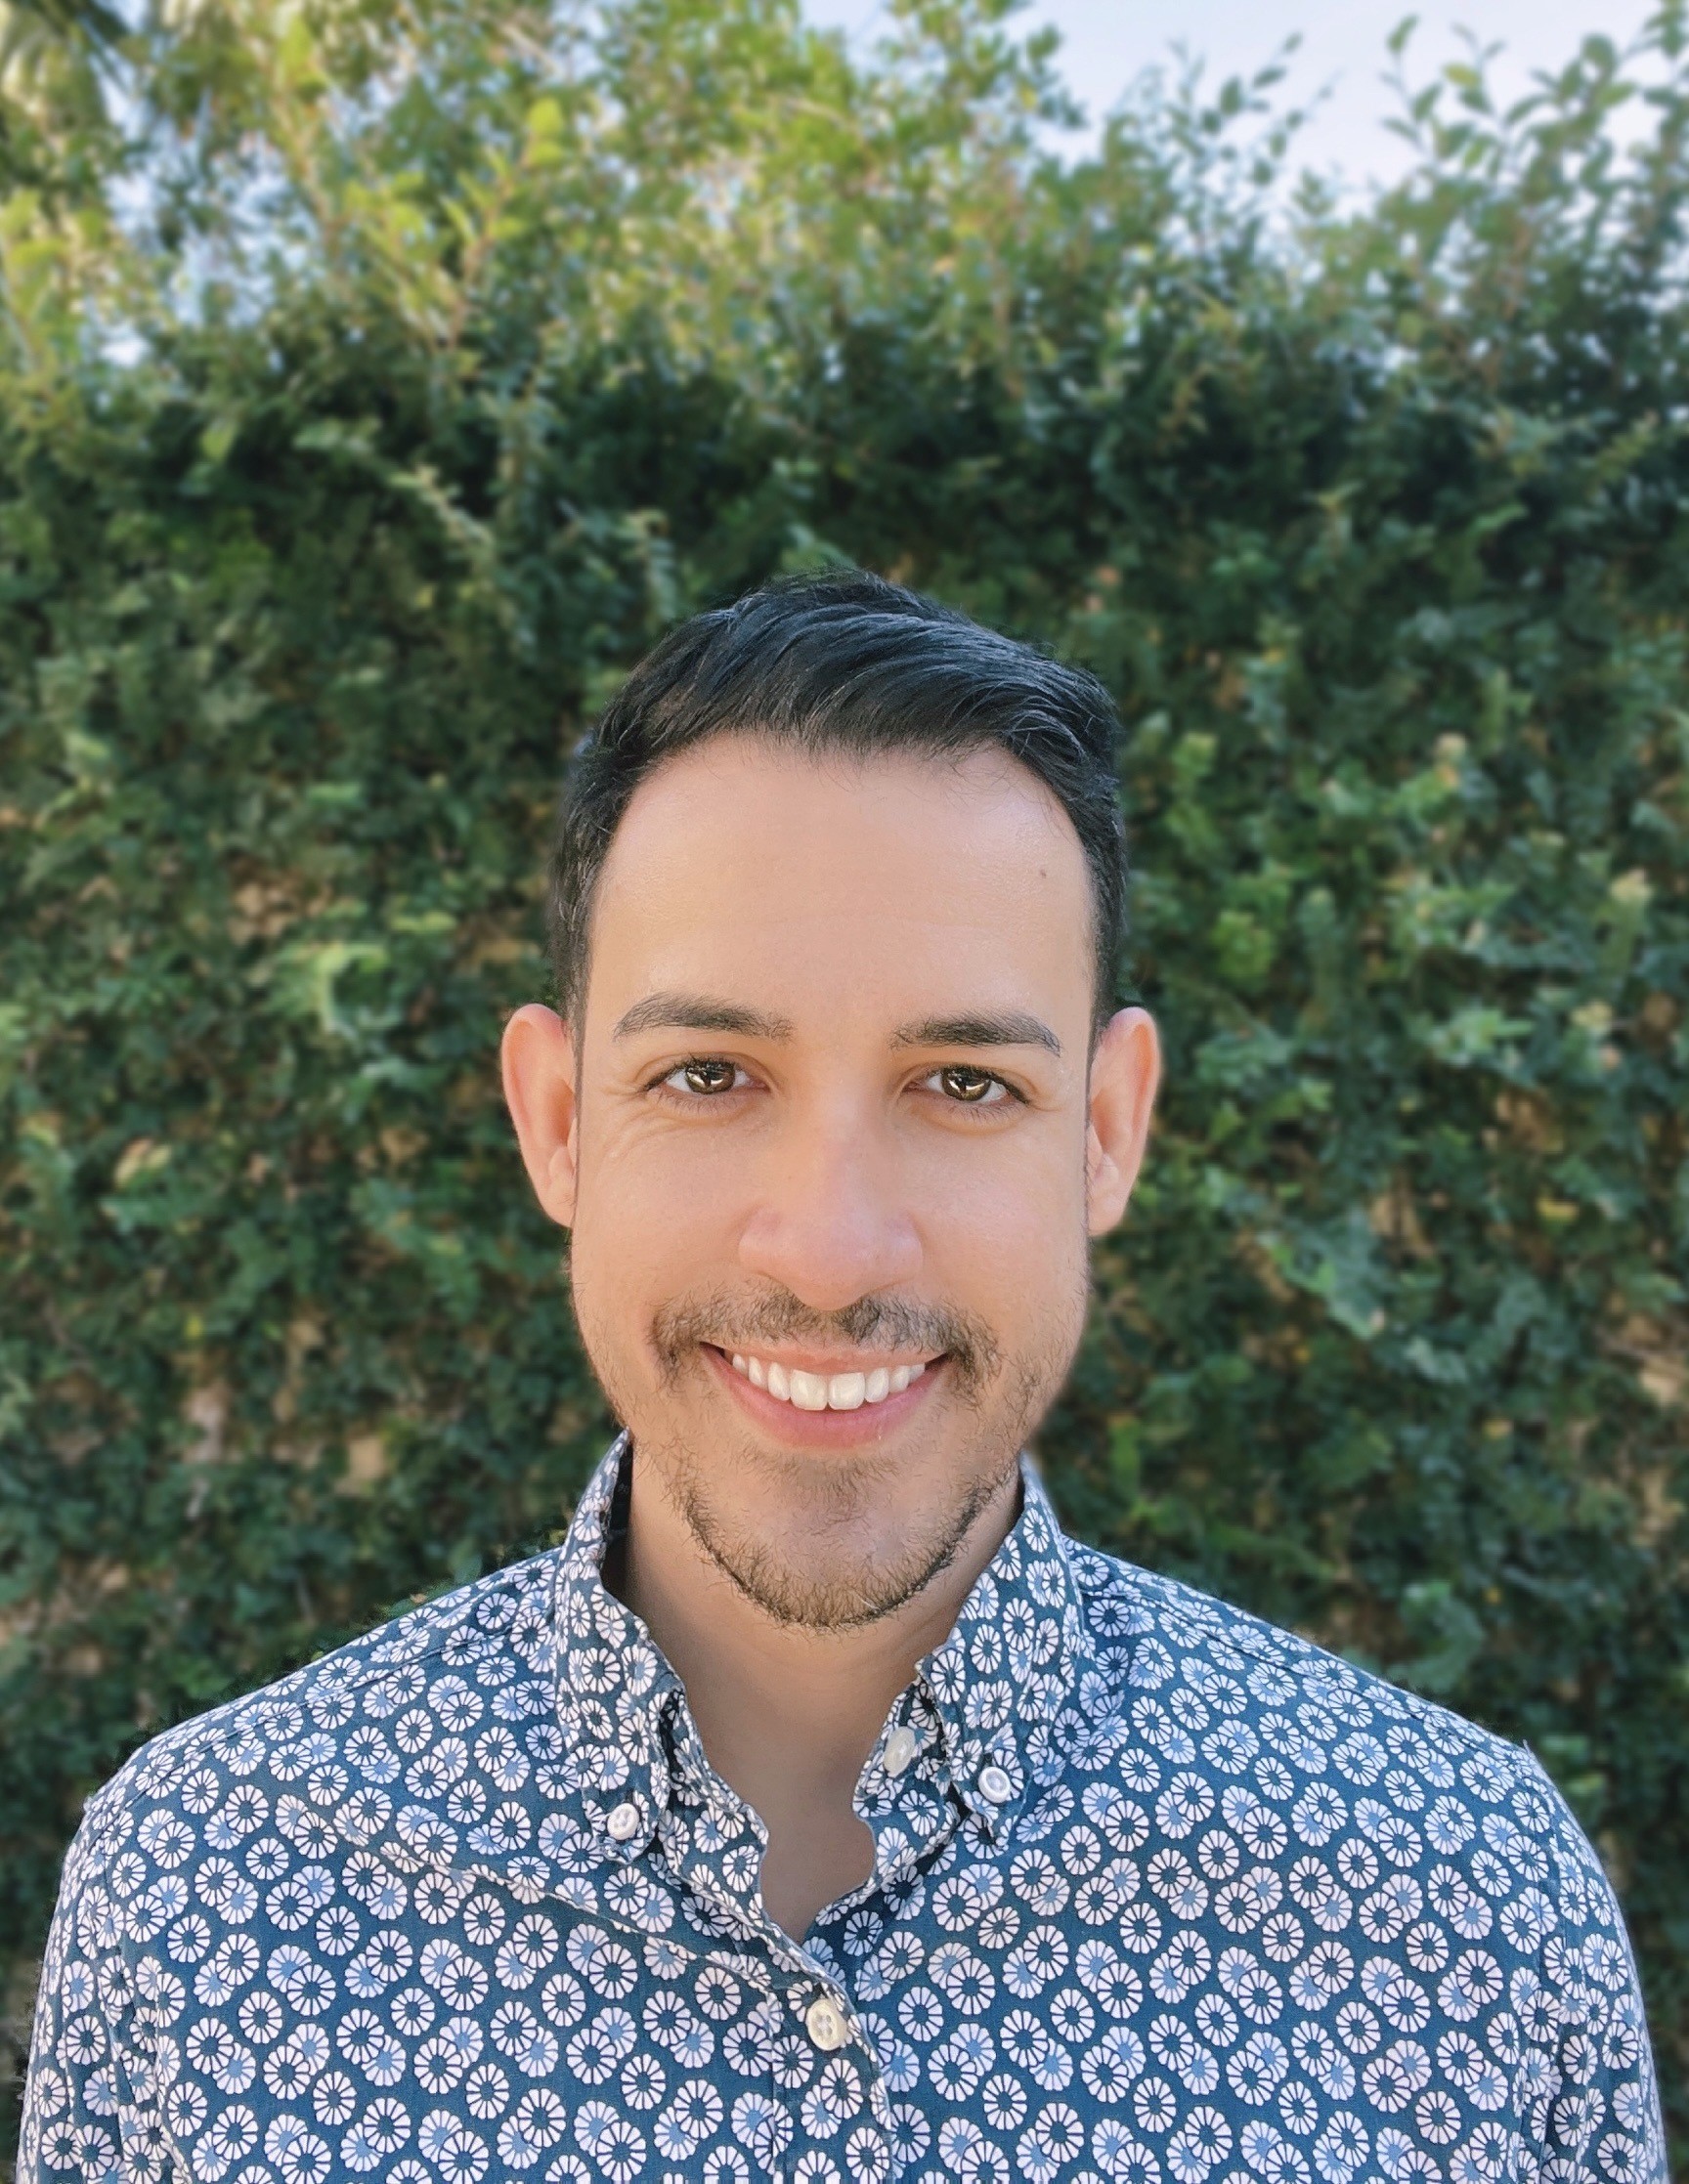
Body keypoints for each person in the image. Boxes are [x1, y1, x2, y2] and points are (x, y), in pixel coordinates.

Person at [22, 575, 1663, 2184]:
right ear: (558, 1120)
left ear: (1107, 1128)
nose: (830, 1251)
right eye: (710, 1074)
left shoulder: (1461, 1907)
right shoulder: (207, 1894)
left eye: (962, 1080)